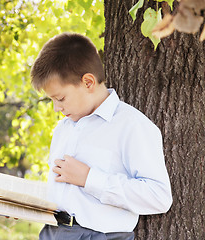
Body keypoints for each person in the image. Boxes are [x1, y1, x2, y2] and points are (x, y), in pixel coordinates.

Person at [30, 32, 173, 240]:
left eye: (60, 98)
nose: (56, 108)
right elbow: (64, 193)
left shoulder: (131, 125)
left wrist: (90, 179)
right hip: (53, 232)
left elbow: (159, 196)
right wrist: (24, 207)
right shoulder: (64, 128)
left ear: (88, 82)